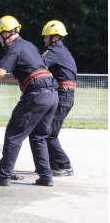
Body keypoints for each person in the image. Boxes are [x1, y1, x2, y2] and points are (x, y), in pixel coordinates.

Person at [0, 16, 58, 186]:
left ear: (7, 33)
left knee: (13, 135)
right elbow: (18, 76)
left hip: (36, 96)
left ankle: (3, 176)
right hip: (51, 95)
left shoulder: (13, 48)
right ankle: (46, 176)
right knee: (38, 137)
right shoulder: (29, 46)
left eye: (0, 36)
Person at [40, 20, 77, 177]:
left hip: (63, 96)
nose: (44, 40)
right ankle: (54, 164)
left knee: (48, 133)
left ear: (55, 37)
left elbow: (37, 65)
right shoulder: (62, 51)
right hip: (64, 95)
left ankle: (64, 165)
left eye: (46, 37)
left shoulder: (54, 51)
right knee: (46, 130)